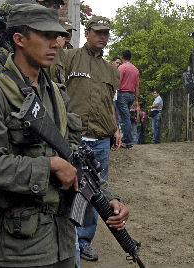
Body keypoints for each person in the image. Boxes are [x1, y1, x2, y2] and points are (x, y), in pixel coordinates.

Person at [0, 4, 129, 268]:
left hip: (63, 240)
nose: (56, 42)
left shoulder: (57, 93)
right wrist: (49, 166)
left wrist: (109, 196)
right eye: (45, 35)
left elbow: (76, 154)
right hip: (20, 245)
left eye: (57, 36)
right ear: (19, 39)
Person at [63, 15, 121, 261]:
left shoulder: (111, 70)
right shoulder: (69, 58)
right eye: (98, 32)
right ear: (87, 33)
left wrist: (116, 129)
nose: (103, 36)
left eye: (106, 32)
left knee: (96, 191)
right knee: (69, 190)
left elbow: (111, 104)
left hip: (100, 139)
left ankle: (85, 239)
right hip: (73, 137)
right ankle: (68, 240)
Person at [117, 49, 140, 148]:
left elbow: (118, 82)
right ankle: (127, 139)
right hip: (131, 95)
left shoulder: (122, 68)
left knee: (124, 118)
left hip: (122, 94)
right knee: (126, 118)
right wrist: (136, 100)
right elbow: (137, 86)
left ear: (122, 56)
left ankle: (127, 140)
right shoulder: (135, 69)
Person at [111, 56, 122, 127]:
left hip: (115, 97)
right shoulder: (108, 71)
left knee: (116, 117)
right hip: (109, 97)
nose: (118, 65)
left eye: (119, 64)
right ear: (112, 63)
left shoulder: (118, 73)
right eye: (117, 63)